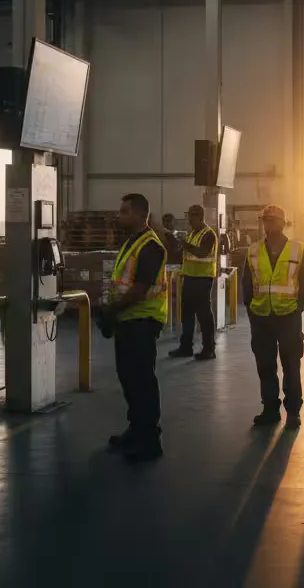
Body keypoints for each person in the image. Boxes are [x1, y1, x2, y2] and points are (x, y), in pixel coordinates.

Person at [104, 193, 169, 462]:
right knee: (128, 378)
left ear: (140, 215)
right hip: (127, 320)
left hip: (142, 320)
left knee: (142, 381)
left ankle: (150, 439)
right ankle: (136, 428)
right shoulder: (132, 242)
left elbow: (140, 290)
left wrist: (112, 311)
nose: (118, 216)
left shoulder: (151, 247)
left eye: (124, 212)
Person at [241, 205, 304, 429]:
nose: (267, 224)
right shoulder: (252, 250)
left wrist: (299, 307)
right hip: (261, 317)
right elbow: (247, 282)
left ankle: (293, 411)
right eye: (265, 220)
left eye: (272, 220)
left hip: (288, 316)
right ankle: (270, 408)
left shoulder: (297, 250)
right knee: (265, 364)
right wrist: (251, 308)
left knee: (291, 364)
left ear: (282, 223)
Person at [169, 204, 219, 361]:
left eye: (192, 217)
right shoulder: (192, 234)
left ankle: (209, 349)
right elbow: (187, 253)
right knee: (187, 315)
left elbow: (202, 253)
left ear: (200, 217)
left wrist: (183, 243)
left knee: (204, 315)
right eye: (188, 216)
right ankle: (186, 347)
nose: (189, 220)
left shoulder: (208, 234)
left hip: (203, 280)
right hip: (189, 277)